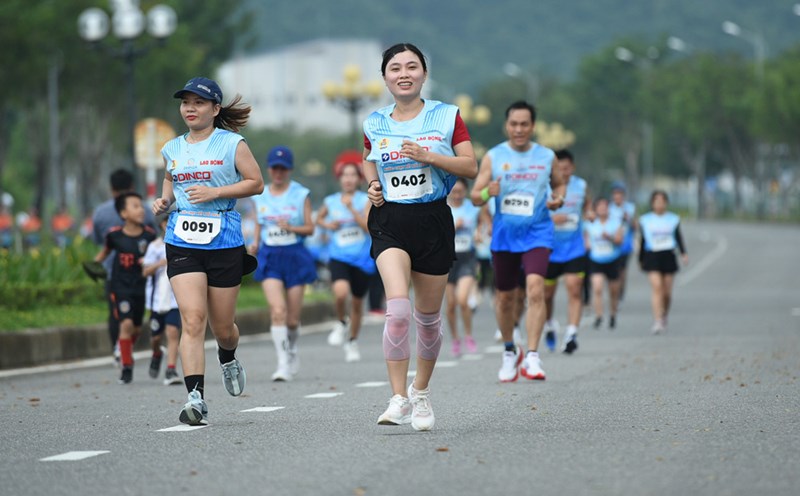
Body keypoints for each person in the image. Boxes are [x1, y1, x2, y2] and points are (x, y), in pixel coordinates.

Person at [364, 42, 478, 431]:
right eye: (395, 68)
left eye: (412, 67)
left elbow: (470, 165)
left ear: (424, 74)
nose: (403, 74)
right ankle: (397, 398)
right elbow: (370, 163)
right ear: (385, 78)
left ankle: (421, 392)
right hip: (389, 221)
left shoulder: (447, 117)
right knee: (397, 311)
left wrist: (430, 157)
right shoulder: (374, 122)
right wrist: (373, 188)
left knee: (427, 320)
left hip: (432, 220)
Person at [153, 76, 264, 425]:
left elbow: (256, 183)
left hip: (224, 238)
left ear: (215, 109)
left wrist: (215, 193)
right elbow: (171, 177)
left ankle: (227, 356)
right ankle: (195, 398)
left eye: (199, 102)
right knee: (192, 318)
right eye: (185, 102)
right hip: (182, 238)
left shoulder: (232, 144)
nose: (190, 108)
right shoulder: (172, 148)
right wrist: (165, 201)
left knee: (222, 326)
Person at [470, 100, 565, 383]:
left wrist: (557, 198)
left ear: (533, 126)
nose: (519, 129)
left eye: (525, 124)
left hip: (538, 232)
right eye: (514, 124)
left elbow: (559, 184)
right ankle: (510, 351)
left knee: (535, 290)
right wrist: (489, 192)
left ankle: (533, 356)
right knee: (505, 298)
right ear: (506, 126)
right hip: (505, 236)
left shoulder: (547, 156)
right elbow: (475, 196)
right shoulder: (493, 156)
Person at [250, 145, 317, 381]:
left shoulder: (301, 194)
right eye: (275, 168)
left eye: (283, 169)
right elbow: (258, 224)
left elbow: (310, 228)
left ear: (289, 170)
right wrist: (255, 243)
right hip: (270, 256)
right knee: (277, 310)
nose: (279, 173)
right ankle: (282, 363)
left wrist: (292, 228)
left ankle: (292, 348)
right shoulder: (260, 194)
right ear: (269, 169)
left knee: (292, 318)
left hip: (295, 254)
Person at [93, 169, 155, 362]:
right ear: (132, 187)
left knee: (119, 315)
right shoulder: (144, 209)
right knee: (124, 316)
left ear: (111, 188)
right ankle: (122, 354)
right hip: (126, 276)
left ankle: (119, 348)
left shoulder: (100, 213)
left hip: (118, 274)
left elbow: (97, 239)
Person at [318, 150, 374, 362]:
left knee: (358, 304)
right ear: (339, 178)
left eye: (352, 175)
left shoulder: (364, 200)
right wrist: (327, 224)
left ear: (359, 179)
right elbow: (320, 219)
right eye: (345, 175)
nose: (348, 179)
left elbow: (368, 227)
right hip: (338, 256)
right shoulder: (331, 201)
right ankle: (341, 322)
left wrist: (352, 210)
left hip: (362, 259)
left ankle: (352, 341)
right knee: (341, 293)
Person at [543, 149, 590, 354]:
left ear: (573, 168)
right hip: (550, 249)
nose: (564, 171)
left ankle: (572, 333)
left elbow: (587, 205)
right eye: (560, 168)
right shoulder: (545, 187)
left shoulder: (581, 186)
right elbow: (536, 214)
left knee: (574, 287)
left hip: (574, 248)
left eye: (567, 167)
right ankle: (550, 323)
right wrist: (554, 219)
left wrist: (590, 213)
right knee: (547, 295)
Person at [638, 190, 688, 334]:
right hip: (651, 255)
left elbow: (678, 237)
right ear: (652, 203)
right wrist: (641, 259)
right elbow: (643, 240)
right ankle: (657, 319)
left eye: (662, 201)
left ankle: (664, 313)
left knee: (666, 292)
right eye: (656, 201)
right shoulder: (645, 220)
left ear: (666, 203)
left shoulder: (673, 219)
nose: (659, 204)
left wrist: (684, 253)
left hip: (668, 255)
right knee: (657, 287)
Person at [142, 215, 183, 385]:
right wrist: (161, 263)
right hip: (157, 300)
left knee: (173, 333)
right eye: (168, 222)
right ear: (162, 225)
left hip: (175, 299)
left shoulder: (183, 243)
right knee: (156, 337)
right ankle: (157, 352)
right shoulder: (155, 246)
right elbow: (145, 272)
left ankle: (171, 369)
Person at [445, 177, 481, 357]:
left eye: (461, 192)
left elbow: (483, 224)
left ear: (465, 191)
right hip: (447, 259)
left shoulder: (472, 208)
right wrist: (453, 227)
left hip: (467, 258)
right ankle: (455, 339)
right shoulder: (443, 208)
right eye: (454, 192)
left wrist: (480, 234)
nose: (457, 195)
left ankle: (468, 336)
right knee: (450, 305)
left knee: (462, 299)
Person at [585, 197, 624, 330]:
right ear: (595, 209)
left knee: (613, 291)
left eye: (605, 206)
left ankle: (613, 314)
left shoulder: (615, 223)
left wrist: (610, 237)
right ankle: (599, 316)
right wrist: (587, 245)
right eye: (600, 206)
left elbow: (620, 240)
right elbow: (586, 241)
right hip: (596, 260)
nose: (603, 209)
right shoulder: (589, 224)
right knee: (597, 287)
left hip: (612, 259)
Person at [608, 181, 637, 302]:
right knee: (612, 271)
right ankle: (613, 291)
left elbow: (636, 226)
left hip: (625, 245)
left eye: (620, 193)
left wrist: (629, 219)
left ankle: (620, 293)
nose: (617, 196)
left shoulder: (630, 208)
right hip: (611, 244)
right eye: (615, 193)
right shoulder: (608, 208)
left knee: (622, 271)